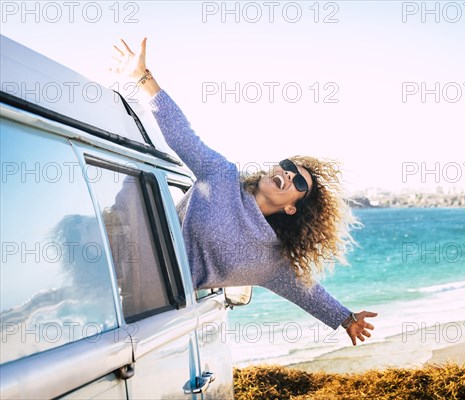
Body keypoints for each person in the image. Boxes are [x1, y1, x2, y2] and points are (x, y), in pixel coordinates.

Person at [110, 38, 377, 345]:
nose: (289, 175)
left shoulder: (272, 261)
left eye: (299, 184)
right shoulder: (222, 176)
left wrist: (346, 319)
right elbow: (182, 135)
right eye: (288, 166)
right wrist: (143, 78)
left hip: (153, 310)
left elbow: (309, 294)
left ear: (292, 208)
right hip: (117, 264)